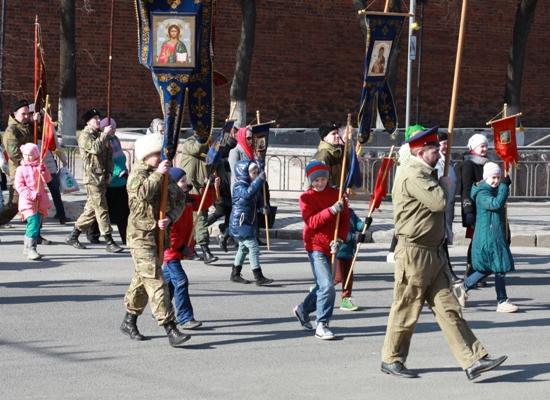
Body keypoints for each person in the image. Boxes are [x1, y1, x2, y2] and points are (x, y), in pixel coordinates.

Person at [380, 127, 507, 380]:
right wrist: (445, 184)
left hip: (433, 252)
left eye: (439, 149)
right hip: (414, 252)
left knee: (449, 309)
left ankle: (473, 360)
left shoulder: (425, 170)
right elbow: (438, 202)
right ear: (419, 151)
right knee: (406, 308)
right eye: (434, 150)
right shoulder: (413, 172)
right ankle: (391, 358)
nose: (439, 154)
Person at [120, 133, 190, 347]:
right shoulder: (138, 174)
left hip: (158, 236)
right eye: (156, 154)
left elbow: (180, 199)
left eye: (161, 153)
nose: (160, 157)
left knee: (142, 280)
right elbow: (141, 195)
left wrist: (170, 217)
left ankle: (129, 320)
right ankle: (170, 327)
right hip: (140, 236)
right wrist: (158, 175)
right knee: (156, 280)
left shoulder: (164, 174)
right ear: (145, 155)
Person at [293, 160, 349, 340]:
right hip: (315, 245)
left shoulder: (337, 194)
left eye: (323, 179)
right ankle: (322, 323)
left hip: (332, 245)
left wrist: (339, 239)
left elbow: (344, 220)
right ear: (310, 180)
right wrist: (331, 210)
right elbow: (312, 222)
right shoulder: (306, 198)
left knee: (322, 285)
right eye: (316, 180)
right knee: (327, 285)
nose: (320, 183)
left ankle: (303, 309)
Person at [453, 162, 518, 313]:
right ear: (485, 178)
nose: (496, 180)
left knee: (490, 267)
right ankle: (502, 301)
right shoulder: (482, 193)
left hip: (494, 234)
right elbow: (495, 204)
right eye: (493, 178)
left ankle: (463, 287)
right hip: (488, 236)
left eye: (498, 177)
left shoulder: (491, 190)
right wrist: (503, 186)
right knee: (499, 266)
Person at [163, 167, 217, 330]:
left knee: (169, 284)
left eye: (186, 181)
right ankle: (185, 317)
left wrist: (209, 186)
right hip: (171, 251)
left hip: (180, 249)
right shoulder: (169, 204)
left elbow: (204, 203)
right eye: (182, 181)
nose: (186, 184)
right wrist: (181, 247)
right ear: (172, 185)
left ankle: (160, 309)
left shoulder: (187, 199)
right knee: (181, 281)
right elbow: (169, 232)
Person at [65, 109, 122, 253]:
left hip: (102, 177)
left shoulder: (100, 135)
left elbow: (109, 155)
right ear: (87, 122)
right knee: (102, 208)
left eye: (98, 118)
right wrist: (104, 135)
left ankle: (74, 235)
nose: (98, 120)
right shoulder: (85, 136)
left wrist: (109, 172)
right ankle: (109, 240)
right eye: (95, 118)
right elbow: (95, 149)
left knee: (91, 210)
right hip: (92, 178)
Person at [229, 160, 273, 285]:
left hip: (249, 221)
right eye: (253, 172)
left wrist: (262, 207)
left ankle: (235, 273)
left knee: (243, 249)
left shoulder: (253, 185)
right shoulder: (239, 186)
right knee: (253, 247)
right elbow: (247, 195)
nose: (256, 174)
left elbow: (257, 200)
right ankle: (258, 277)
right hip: (241, 222)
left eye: (257, 172)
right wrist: (259, 180)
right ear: (244, 173)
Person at [87, 118, 130, 244]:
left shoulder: (115, 140)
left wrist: (124, 170)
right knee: (101, 210)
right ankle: (92, 233)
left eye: (114, 128)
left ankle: (126, 237)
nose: (113, 130)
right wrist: (114, 173)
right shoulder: (102, 140)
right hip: (108, 180)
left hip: (121, 181)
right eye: (111, 128)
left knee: (123, 212)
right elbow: (104, 161)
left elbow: (120, 158)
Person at [386, 124, 425, 263]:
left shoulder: (421, 149)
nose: (419, 137)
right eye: (416, 134)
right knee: (402, 222)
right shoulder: (407, 150)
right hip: (404, 190)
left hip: (414, 189)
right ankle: (393, 250)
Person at [179, 131, 218, 264]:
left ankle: (191, 248)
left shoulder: (208, 146)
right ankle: (205, 250)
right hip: (190, 189)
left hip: (203, 188)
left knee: (198, 220)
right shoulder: (189, 143)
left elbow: (211, 160)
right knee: (198, 220)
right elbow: (197, 149)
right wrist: (202, 139)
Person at [30, 103, 70, 225]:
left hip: (48, 163)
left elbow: (55, 146)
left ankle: (61, 214)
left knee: (54, 190)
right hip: (35, 164)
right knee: (37, 191)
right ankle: (34, 215)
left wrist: (63, 159)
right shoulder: (27, 128)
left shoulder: (47, 127)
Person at [0, 99, 38, 226]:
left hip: (31, 171)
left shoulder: (27, 126)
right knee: (14, 204)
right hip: (19, 172)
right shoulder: (12, 131)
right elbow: (14, 154)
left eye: (28, 114)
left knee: (36, 202)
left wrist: (38, 120)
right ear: (15, 114)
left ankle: (35, 234)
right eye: (23, 114)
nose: (27, 116)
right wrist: (29, 163)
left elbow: (39, 134)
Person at [460, 133, 489, 281]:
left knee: (484, 240)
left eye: (485, 146)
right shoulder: (468, 164)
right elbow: (466, 189)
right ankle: (470, 271)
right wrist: (468, 210)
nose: (484, 149)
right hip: (474, 209)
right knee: (477, 241)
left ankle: (480, 270)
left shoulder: (486, 163)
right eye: (481, 146)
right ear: (474, 148)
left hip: (486, 208)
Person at [14, 143, 52, 260]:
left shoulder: (40, 166)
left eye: (30, 155)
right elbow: (19, 186)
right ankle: (31, 249)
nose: (28, 157)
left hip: (40, 200)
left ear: (36, 155)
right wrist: (31, 195)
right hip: (27, 200)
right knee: (33, 223)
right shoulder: (20, 169)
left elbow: (48, 179)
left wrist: (43, 171)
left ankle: (27, 247)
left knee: (37, 224)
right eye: (25, 155)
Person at [434, 129, 460, 282]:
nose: (444, 147)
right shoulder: (437, 161)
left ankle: (444, 272)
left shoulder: (447, 159)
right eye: (442, 144)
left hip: (448, 205)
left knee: (443, 241)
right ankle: (447, 272)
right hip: (439, 205)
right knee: (440, 241)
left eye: (446, 143)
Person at [334, 208, 372, 311]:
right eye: (343, 196)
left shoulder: (350, 212)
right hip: (337, 251)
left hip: (349, 251)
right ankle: (318, 291)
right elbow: (338, 231)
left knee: (348, 278)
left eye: (347, 196)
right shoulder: (335, 213)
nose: (346, 198)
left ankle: (346, 299)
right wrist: (353, 237)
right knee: (337, 277)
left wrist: (366, 224)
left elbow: (358, 225)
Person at [313, 123, 346, 187]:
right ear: (325, 138)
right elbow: (321, 181)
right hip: (329, 194)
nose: (337, 136)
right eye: (333, 134)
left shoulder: (338, 151)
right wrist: (333, 192)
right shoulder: (323, 155)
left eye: (337, 133)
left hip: (339, 191)